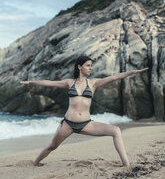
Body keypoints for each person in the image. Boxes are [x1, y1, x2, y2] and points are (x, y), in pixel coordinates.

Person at [20, 55, 149, 167]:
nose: (90, 68)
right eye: (88, 65)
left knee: (116, 131)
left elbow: (115, 77)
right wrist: (31, 81)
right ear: (79, 67)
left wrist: (133, 72)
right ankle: (35, 163)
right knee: (52, 146)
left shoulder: (93, 83)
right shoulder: (69, 82)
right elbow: (49, 83)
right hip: (68, 124)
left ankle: (126, 164)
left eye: (91, 65)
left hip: (86, 124)